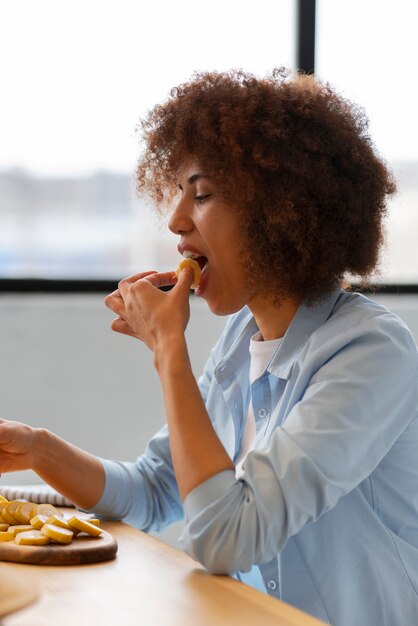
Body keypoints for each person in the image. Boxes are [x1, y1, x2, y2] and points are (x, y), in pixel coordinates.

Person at [1, 69, 417, 626]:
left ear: (278, 211)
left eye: (202, 195)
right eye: (176, 195)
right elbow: (154, 489)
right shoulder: (240, 340)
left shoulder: (373, 353)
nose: (175, 221)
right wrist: (38, 449)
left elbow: (230, 536)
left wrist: (168, 350)